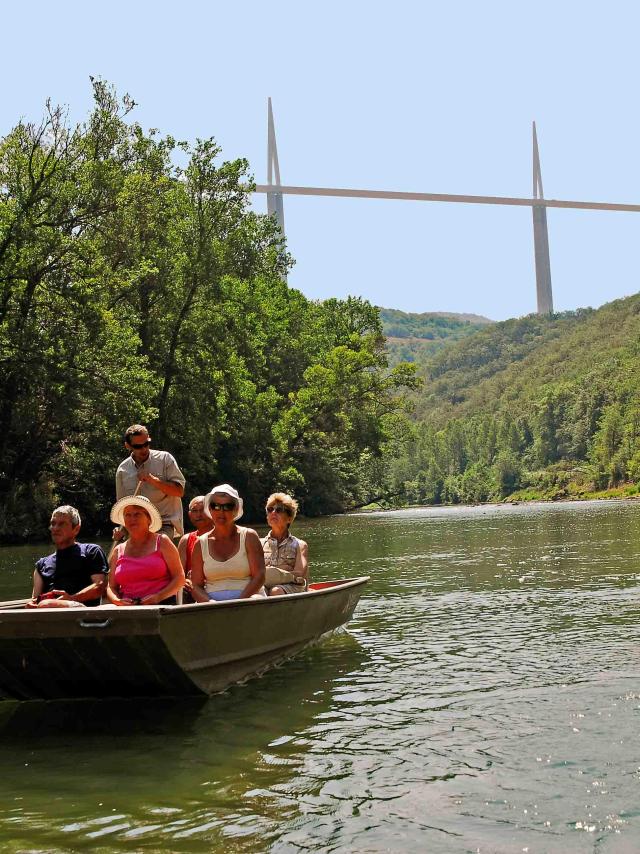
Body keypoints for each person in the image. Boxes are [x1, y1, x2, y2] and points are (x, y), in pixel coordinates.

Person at [190, 484, 266, 602]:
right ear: (209, 509)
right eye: (215, 506)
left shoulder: (249, 537)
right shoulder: (200, 544)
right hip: (212, 605)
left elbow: (259, 576)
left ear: (236, 510)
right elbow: (195, 585)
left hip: (248, 601)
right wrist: (211, 603)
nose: (221, 511)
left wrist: (238, 603)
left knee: (255, 600)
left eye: (227, 506)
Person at [107, 495, 185, 606]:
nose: (132, 519)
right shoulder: (118, 550)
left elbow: (180, 578)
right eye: (127, 515)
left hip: (161, 606)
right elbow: (111, 587)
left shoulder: (162, 541)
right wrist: (117, 601)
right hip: (128, 609)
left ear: (149, 519)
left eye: (137, 514)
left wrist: (157, 597)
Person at [27, 505, 108, 609]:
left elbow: (100, 587)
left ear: (76, 529)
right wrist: (32, 604)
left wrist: (72, 598)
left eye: (61, 524)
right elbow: (35, 599)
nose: (55, 528)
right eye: (53, 524)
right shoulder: (41, 565)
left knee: (46, 604)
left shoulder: (91, 551)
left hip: (82, 615)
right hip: (48, 614)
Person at [115, 424, 186, 539]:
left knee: (156, 545)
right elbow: (124, 507)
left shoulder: (165, 459)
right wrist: (122, 530)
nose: (144, 449)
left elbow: (179, 492)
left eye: (146, 444)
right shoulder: (122, 470)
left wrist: (153, 481)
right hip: (136, 526)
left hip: (164, 523)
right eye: (138, 446)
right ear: (128, 446)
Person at [261, 493, 309, 596]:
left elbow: (300, 573)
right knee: (257, 592)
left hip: (292, 587)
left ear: (289, 518)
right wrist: (284, 569)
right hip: (265, 585)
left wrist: (274, 572)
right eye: (270, 509)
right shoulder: (259, 544)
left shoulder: (300, 545)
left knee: (276, 591)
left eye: (279, 510)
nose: (273, 512)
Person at [177, 496, 214, 577]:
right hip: (191, 587)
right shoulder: (186, 540)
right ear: (189, 515)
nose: (198, 515)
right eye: (194, 511)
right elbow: (180, 574)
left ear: (211, 512)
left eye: (202, 510)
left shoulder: (223, 536)